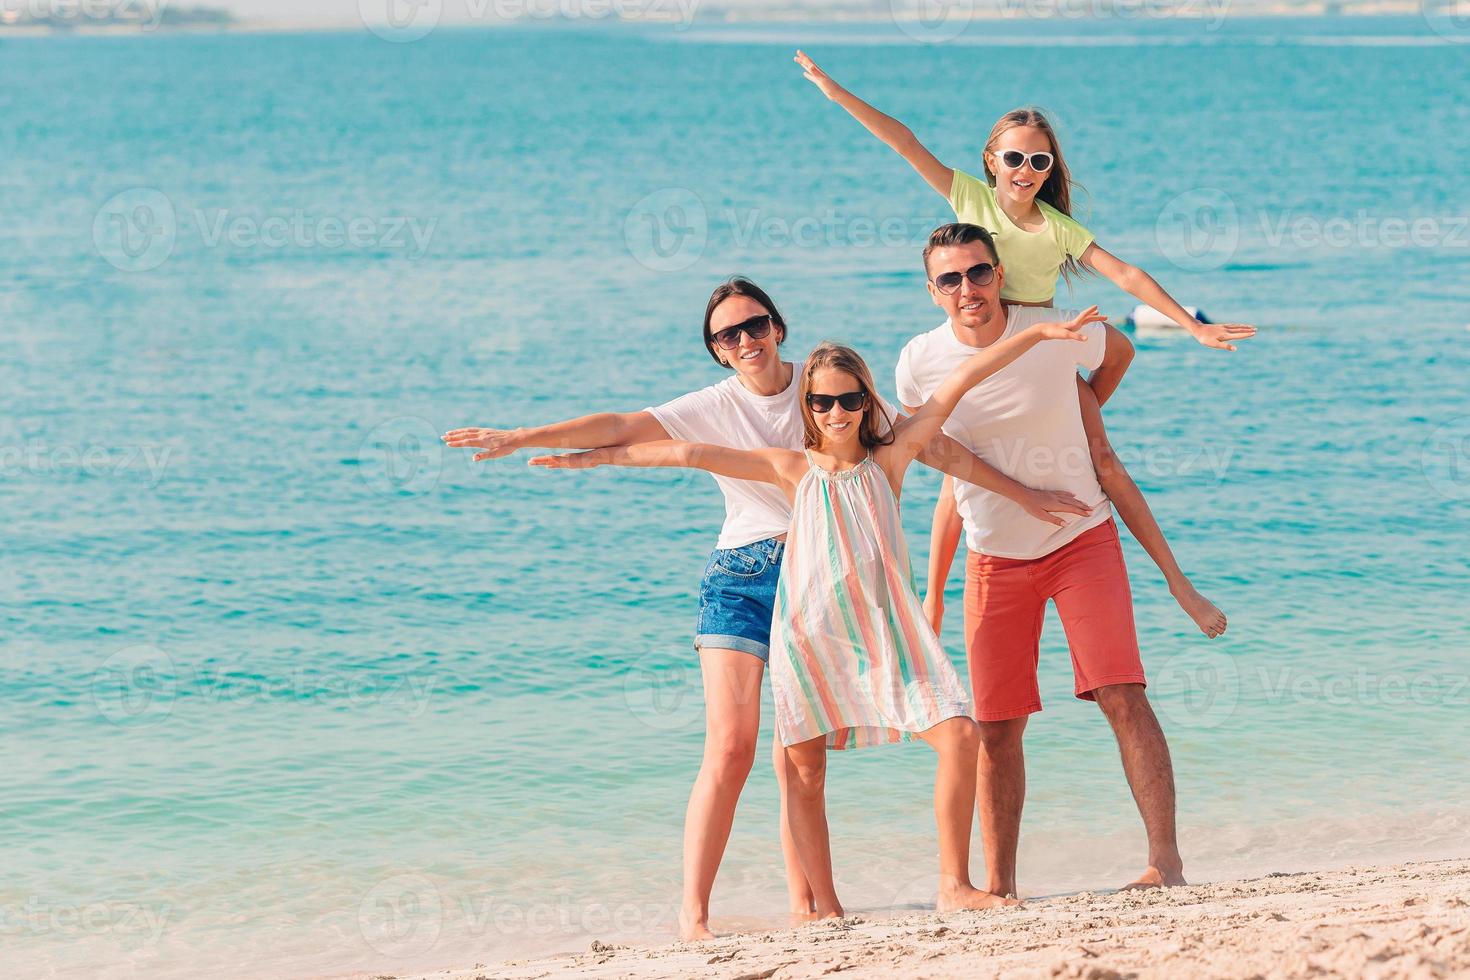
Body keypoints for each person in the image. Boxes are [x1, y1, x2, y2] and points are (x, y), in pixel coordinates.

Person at [443, 277, 1089, 938]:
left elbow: (952, 398)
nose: (836, 411)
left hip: (855, 613)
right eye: (729, 334)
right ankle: (750, 912)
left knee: (900, 743)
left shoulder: (871, 436)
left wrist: (1036, 335)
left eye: (755, 326)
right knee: (760, 756)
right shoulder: (776, 452)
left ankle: (890, 893)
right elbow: (679, 450)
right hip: (773, 601)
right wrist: (572, 453)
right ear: (720, 351)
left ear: (781, 328)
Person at [792, 50, 1238, 639]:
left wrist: (1189, 327)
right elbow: (904, 142)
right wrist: (835, 91)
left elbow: (1125, 278)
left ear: (1049, 167)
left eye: (1039, 159)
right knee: (957, 472)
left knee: (1105, 465)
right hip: (986, 346)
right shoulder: (971, 200)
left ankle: (1180, 584)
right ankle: (934, 602)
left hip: (1044, 352)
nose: (1025, 169)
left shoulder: (1057, 227)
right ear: (991, 161)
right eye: (1013, 157)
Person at [896, 223, 1189, 896]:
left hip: (1081, 537)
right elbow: (947, 477)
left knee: (1122, 692)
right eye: (950, 279)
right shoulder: (918, 362)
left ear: (999, 273)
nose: (967, 288)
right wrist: (934, 593)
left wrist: (1083, 405)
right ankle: (999, 887)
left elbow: (1121, 351)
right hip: (992, 557)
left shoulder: (1055, 327)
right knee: (997, 727)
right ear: (932, 290)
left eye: (977, 272)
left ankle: (1165, 864)